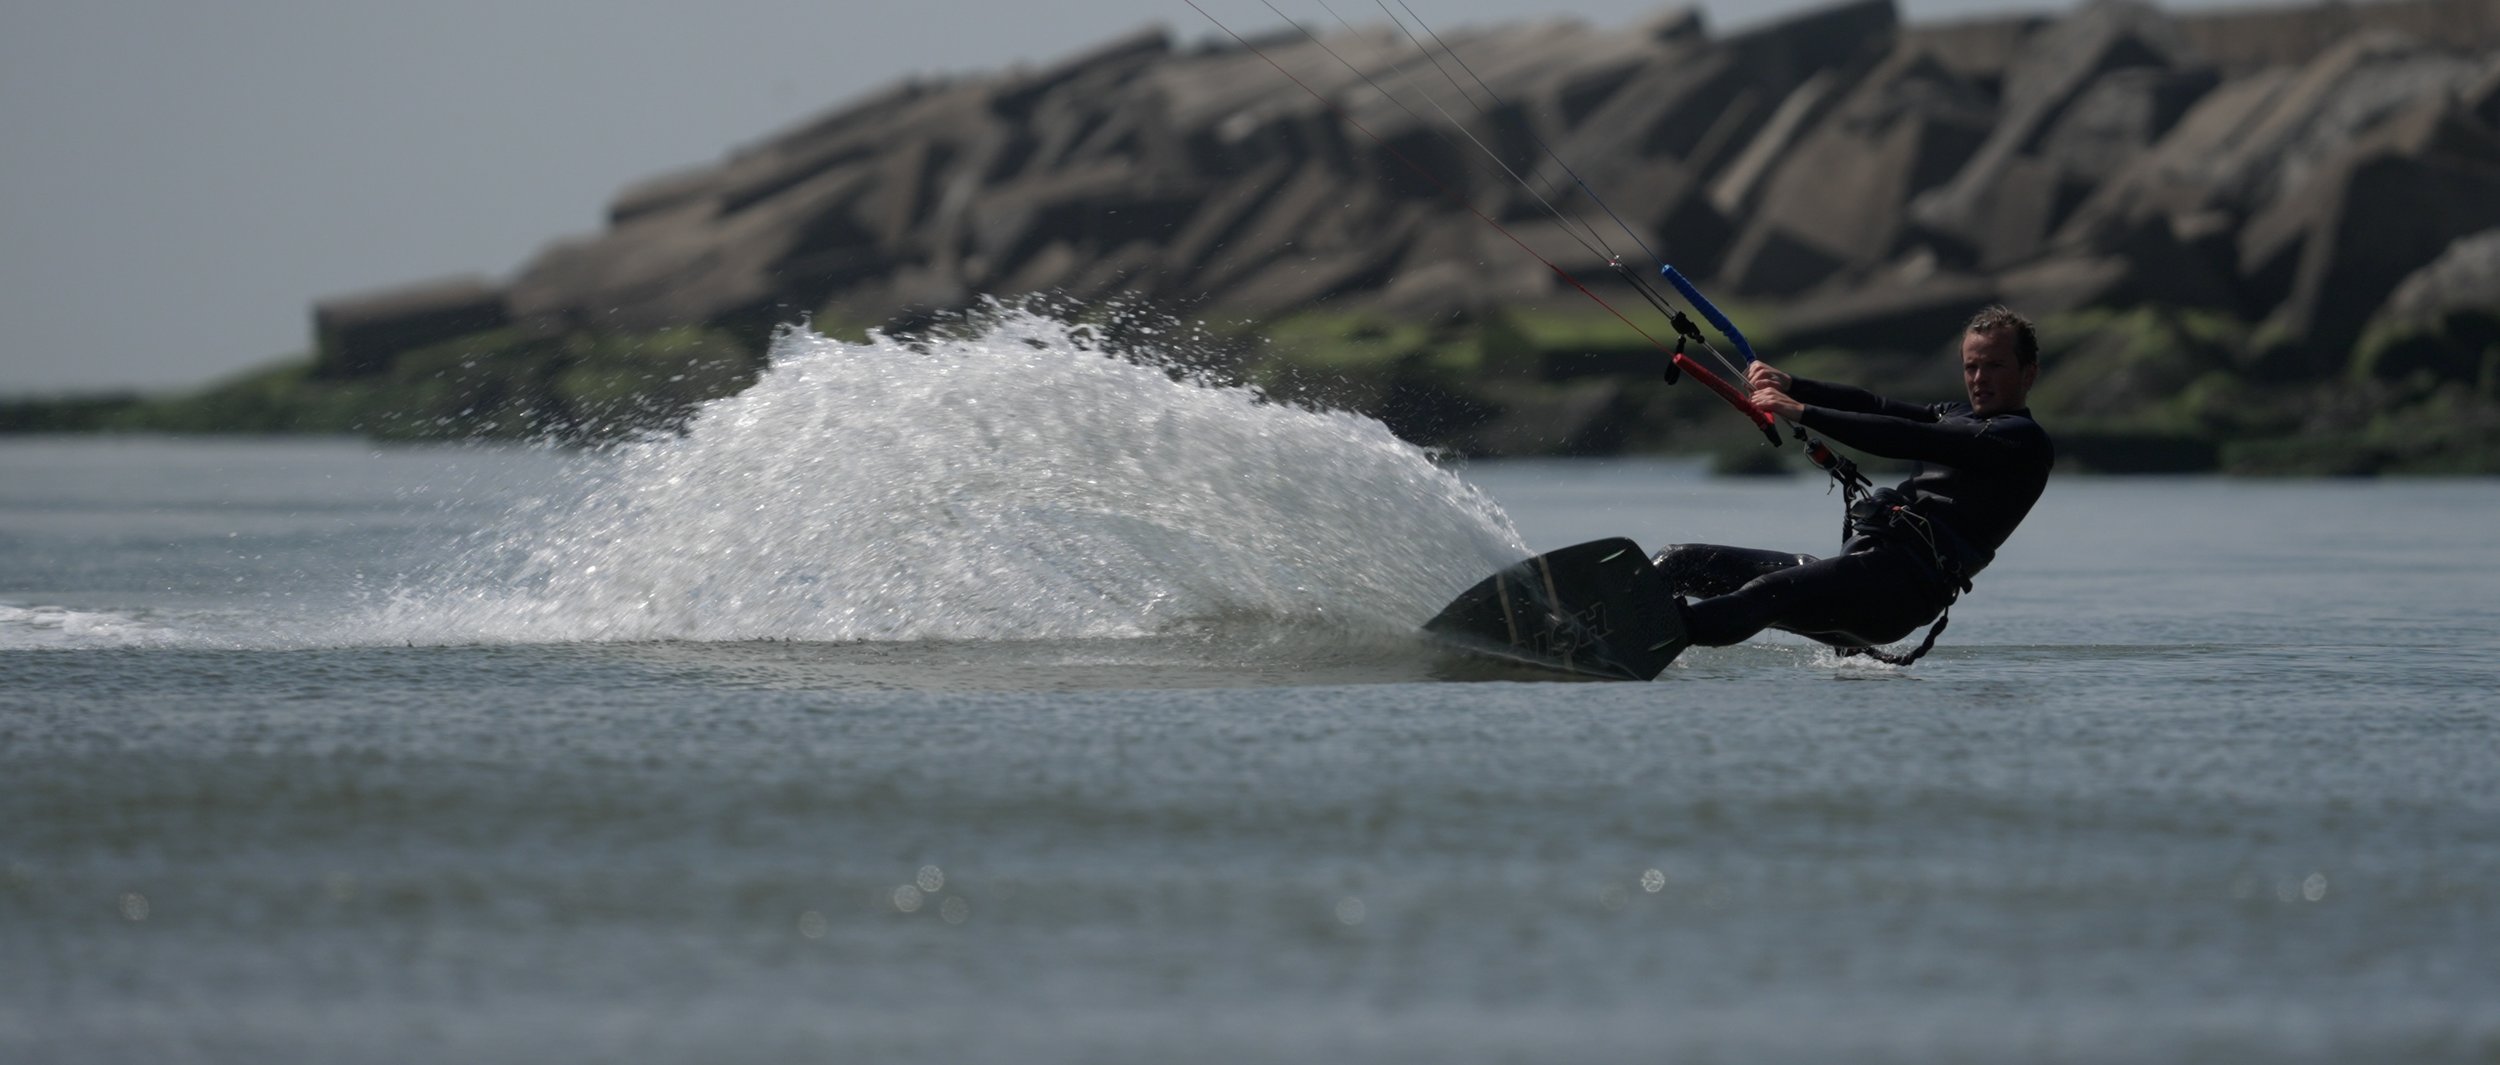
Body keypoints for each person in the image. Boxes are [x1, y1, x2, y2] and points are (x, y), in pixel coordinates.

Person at [1656, 305, 2053, 658]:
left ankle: (1649, 637)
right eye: (1971, 366)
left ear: (2028, 372)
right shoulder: (1958, 414)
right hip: (1858, 573)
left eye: (1995, 366)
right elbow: (1875, 406)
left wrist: (1803, 411)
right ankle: (1606, 615)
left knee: (1767, 594)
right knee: (1681, 561)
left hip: (1895, 595)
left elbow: (1907, 436)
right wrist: (1793, 385)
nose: (1979, 378)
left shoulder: (2020, 439)